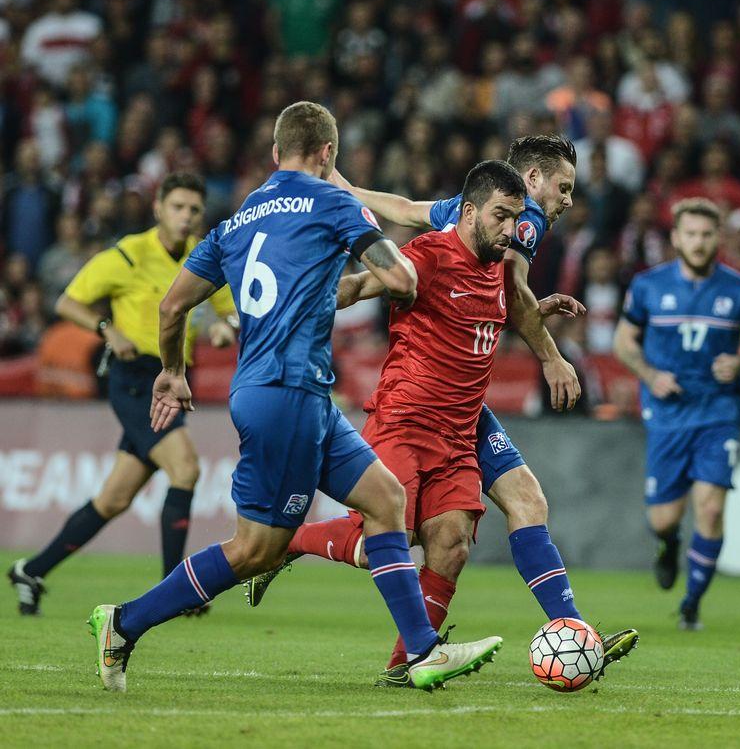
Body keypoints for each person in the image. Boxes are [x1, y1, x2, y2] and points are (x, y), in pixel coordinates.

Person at [86, 101, 502, 693]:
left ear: (276, 152)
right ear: (328, 153)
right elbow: (402, 278)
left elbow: (172, 306)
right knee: (255, 550)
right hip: (287, 391)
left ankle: (421, 651)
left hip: (288, 392)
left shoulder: (235, 222)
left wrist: (173, 372)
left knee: (385, 499)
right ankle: (124, 622)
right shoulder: (334, 202)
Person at [248, 136, 638, 684]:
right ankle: (287, 542)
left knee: (477, 527)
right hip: (414, 409)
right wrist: (551, 355)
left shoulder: (475, 215)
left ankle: (556, 634)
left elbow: (411, 213)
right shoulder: (518, 224)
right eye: (564, 187)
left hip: (464, 410)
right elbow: (498, 290)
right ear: (529, 181)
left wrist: (341, 185)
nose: (568, 200)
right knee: (387, 539)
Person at [7, 173, 238, 616]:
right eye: (178, 207)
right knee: (186, 469)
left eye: (193, 209)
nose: (186, 216)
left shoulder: (204, 256)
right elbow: (68, 301)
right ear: (158, 208)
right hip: (135, 379)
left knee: (113, 499)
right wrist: (107, 329)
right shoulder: (128, 254)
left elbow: (228, 314)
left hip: (172, 377)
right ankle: (178, 590)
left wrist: (225, 329)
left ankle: (31, 570)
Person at [613, 198, 740, 630]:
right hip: (667, 414)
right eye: (691, 234)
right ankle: (669, 545)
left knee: (711, 509)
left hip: (718, 412)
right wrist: (650, 374)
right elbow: (623, 342)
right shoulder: (647, 286)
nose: (699, 242)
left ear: (717, 238)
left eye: (706, 234)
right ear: (676, 237)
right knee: (664, 519)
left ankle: (691, 604)